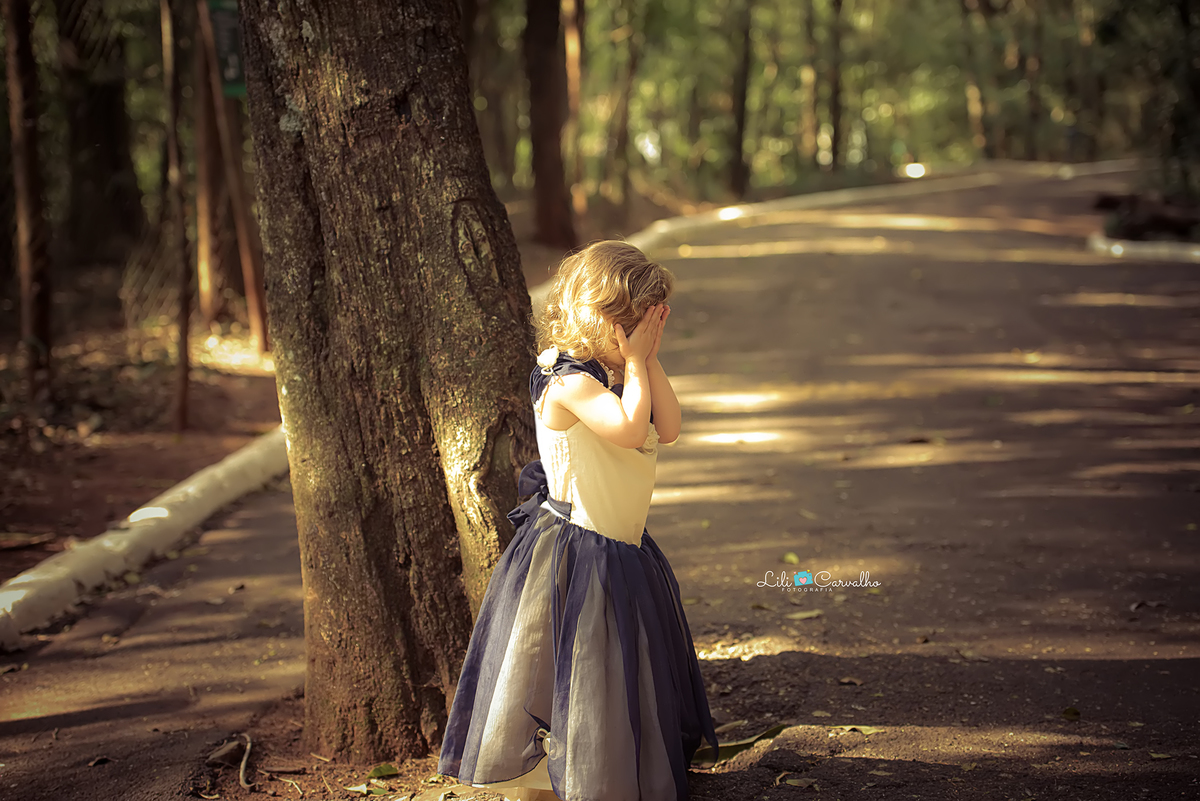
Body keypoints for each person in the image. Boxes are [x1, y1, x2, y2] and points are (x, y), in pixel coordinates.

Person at [437, 241, 719, 801]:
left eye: (654, 325)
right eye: (640, 324)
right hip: (581, 550)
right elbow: (629, 431)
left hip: (624, 545)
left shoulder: (620, 371)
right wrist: (636, 362)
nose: (647, 334)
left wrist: (648, 358)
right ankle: (582, 780)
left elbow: (669, 424)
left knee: (624, 668)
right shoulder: (569, 380)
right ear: (606, 318)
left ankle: (622, 768)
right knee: (585, 668)